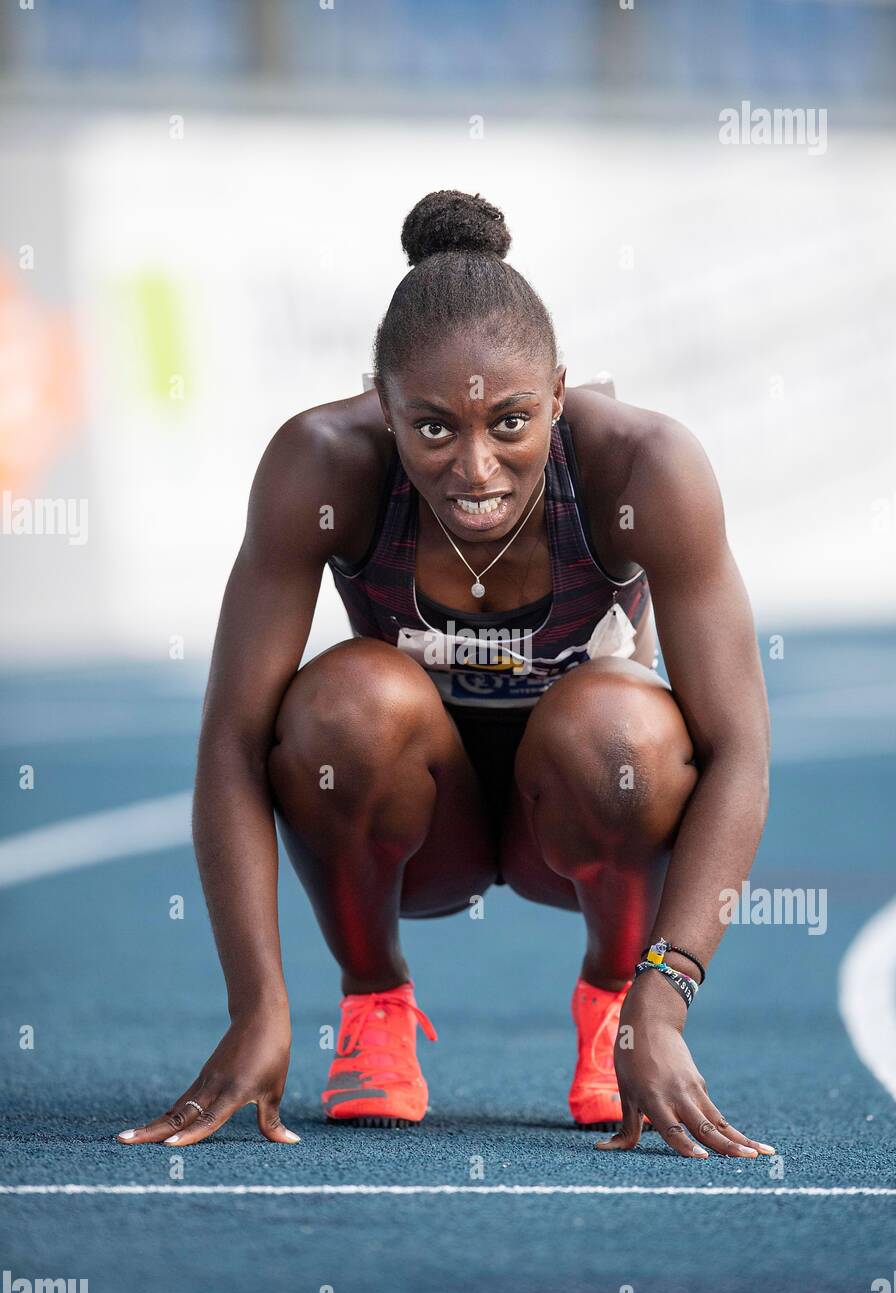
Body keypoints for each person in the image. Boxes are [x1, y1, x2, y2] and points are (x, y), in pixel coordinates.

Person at [116, 190, 774, 1161]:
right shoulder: (323, 463)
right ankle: (373, 995)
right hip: (415, 831)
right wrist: (258, 1004)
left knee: (621, 726)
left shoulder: (642, 467)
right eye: (431, 429)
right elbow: (230, 742)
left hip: (587, 825)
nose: (476, 468)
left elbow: (739, 751)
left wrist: (664, 994)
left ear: (557, 393)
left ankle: (608, 1005)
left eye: (510, 421)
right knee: (344, 700)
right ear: (382, 407)